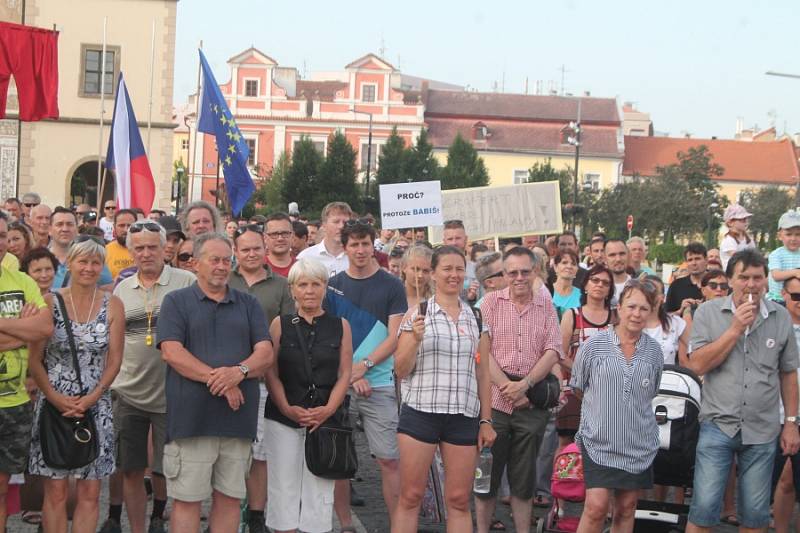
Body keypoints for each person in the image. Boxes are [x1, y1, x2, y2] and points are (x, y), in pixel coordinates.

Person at [157, 232, 274, 533]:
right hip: (192, 421)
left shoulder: (247, 303)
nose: (222, 266)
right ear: (196, 263)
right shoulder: (176, 301)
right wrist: (221, 380)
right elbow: (172, 352)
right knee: (187, 500)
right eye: (214, 260)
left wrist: (239, 371)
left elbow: (265, 352)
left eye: (226, 260)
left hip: (237, 421)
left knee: (230, 499)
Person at [685, 249, 800, 532]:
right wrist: (735, 328)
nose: (751, 284)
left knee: (755, 514)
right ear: (731, 280)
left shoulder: (780, 317)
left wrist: (791, 424)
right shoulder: (709, 312)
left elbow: (787, 373)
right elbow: (698, 364)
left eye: (757, 278)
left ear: (765, 281)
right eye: (744, 277)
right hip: (717, 425)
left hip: (762, 430)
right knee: (703, 511)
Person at [393, 245, 497, 533]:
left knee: (459, 499)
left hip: (462, 416)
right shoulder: (417, 315)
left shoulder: (476, 318)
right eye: (447, 269)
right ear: (433, 274)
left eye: (459, 269)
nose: (454, 274)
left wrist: (486, 421)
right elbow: (400, 369)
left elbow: (483, 372)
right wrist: (414, 339)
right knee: (411, 496)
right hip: (421, 413)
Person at [27, 236, 124, 533]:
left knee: (91, 492)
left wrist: (94, 396)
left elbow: (115, 360)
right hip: (53, 403)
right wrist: (55, 398)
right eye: (83, 261)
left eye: (96, 262)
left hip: (96, 404)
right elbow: (35, 360)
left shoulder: (113, 304)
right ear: (70, 264)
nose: (89, 268)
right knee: (55, 492)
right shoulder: (50, 302)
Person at [111, 221, 196, 533]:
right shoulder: (122, 288)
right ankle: (136, 528)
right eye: (139, 248)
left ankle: (161, 519)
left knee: (168, 469)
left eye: (152, 247)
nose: (145, 253)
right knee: (132, 470)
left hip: (173, 393)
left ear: (165, 249)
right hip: (128, 393)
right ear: (131, 252)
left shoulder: (187, 282)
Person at [324, 220, 407, 531]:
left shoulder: (391, 285)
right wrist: (350, 373)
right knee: (340, 463)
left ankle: (399, 525)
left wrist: (365, 366)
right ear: (344, 247)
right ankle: (346, 525)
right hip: (340, 384)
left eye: (365, 243)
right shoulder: (332, 285)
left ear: (374, 245)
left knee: (388, 459)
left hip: (381, 383)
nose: (360, 250)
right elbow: (328, 336)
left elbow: (395, 336)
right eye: (354, 244)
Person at [474, 246, 563, 533]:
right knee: (486, 480)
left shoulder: (545, 305)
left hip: (530, 403)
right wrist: (505, 386)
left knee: (524, 483)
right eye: (512, 272)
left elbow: (553, 350)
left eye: (525, 271)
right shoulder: (488, 304)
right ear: (504, 274)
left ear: (535, 271)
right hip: (494, 406)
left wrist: (525, 385)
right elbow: (480, 350)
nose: (519, 277)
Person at [262, 258, 353, 533]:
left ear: (325, 287)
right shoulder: (280, 324)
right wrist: (287, 407)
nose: (310, 290)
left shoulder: (341, 325)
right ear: (292, 290)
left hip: (325, 420)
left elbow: (344, 374)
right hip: (283, 417)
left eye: (316, 284)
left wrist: (327, 410)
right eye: (303, 284)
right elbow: (271, 371)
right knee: (282, 488)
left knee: (320, 491)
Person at [571, 280, 664, 533]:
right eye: (631, 306)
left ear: (651, 311)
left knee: (627, 507)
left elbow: (650, 392)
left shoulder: (655, 351)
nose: (637, 314)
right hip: (599, 441)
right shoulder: (593, 346)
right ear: (619, 308)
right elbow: (579, 387)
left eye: (644, 308)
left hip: (637, 444)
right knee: (596, 507)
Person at [228, 223, 294, 533]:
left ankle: (256, 515)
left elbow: (288, 332)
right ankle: (227, 514)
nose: (252, 253)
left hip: (266, 380)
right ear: (235, 252)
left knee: (260, 453)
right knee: (228, 450)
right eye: (246, 249)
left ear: (264, 249)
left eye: (257, 248)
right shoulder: (224, 281)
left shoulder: (280, 286)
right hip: (227, 379)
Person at [0, 211, 53, 533]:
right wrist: (21, 328)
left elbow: (44, 327)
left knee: (2, 487)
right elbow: (30, 330)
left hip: (14, 403)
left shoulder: (22, 281)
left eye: (3, 235)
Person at [771, 276, 800, 533]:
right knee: (785, 479)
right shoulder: (775, 324)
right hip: (779, 414)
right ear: (784, 295)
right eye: (797, 296)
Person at [48, 207, 113, 289]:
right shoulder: (41, 258)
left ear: (77, 229)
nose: (65, 229)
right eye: (59, 224)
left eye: (70, 224)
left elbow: (108, 287)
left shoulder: (92, 256)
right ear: (49, 229)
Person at [642, 275, 689, 366]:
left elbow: (690, 355)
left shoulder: (676, 323)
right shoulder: (629, 323)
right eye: (644, 289)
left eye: (653, 290)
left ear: (662, 298)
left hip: (667, 378)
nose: (649, 294)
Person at [297, 202, 352, 277]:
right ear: (324, 225)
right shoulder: (306, 258)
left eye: (345, 222)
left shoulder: (356, 257)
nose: (341, 226)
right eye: (336, 222)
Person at [664, 242, 708, 315]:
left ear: (706, 260)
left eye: (697, 259)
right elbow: (666, 317)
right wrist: (680, 310)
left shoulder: (718, 284)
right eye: (690, 260)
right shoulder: (676, 286)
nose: (694, 263)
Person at [767, 209, 800, 303]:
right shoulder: (776, 254)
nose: (793, 238)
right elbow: (776, 275)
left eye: (798, 234)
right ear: (780, 236)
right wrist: (795, 272)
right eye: (789, 234)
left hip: (796, 299)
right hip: (778, 299)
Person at [442, 219, 478, 304]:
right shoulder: (437, 271)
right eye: (450, 239)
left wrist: (471, 298)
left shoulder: (477, 269)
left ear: (466, 239)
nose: (454, 243)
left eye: (458, 238)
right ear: (444, 242)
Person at [719, 204, 755, 271]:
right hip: (732, 275)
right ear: (730, 223)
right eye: (742, 220)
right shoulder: (728, 240)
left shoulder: (748, 239)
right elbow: (737, 259)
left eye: (746, 219)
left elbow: (754, 255)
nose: (745, 222)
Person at [105, 208, 136, 279]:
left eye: (129, 226)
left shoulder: (146, 251)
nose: (126, 230)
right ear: (114, 227)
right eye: (121, 226)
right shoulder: (105, 251)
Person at [551, 250, 582, 320]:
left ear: (577, 269)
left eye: (573, 264)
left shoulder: (582, 296)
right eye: (564, 262)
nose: (569, 266)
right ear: (555, 267)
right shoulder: (545, 292)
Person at [400, 244, 433, 310]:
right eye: (416, 269)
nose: (420, 275)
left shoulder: (435, 300)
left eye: (426, 271)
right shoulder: (392, 296)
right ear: (404, 267)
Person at [264, 213, 297, 277]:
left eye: (285, 233)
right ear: (265, 238)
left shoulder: (302, 268)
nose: (280, 238)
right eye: (274, 234)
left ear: (292, 236)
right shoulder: (257, 268)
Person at [604, 239, 630, 307]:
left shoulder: (639, 286)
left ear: (628, 255)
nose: (618, 259)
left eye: (622, 254)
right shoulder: (597, 287)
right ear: (604, 258)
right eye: (612, 255)